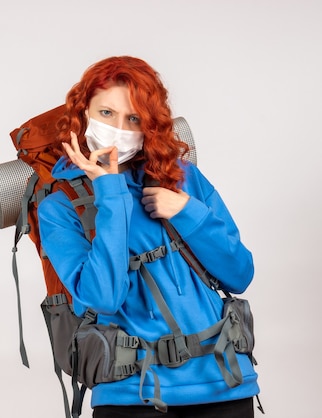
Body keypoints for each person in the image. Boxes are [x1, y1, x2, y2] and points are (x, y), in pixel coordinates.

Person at [37, 56, 260, 418]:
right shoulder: (60, 207)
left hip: (226, 383)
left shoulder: (181, 177)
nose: (118, 128)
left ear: (148, 127)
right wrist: (109, 191)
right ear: (83, 114)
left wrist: (186, 211)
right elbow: (104, 299)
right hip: (132, 394)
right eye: (106, 113)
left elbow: (240, 274)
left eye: (133, 119)